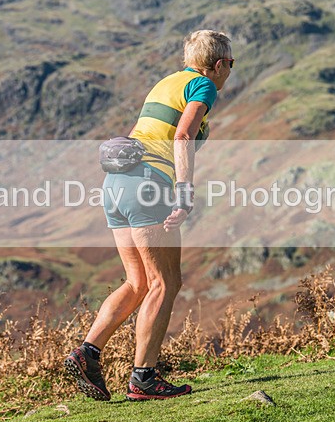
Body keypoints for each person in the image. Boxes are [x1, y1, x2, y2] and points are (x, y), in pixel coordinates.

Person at [64, 30, 233, 401]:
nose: (229, 72)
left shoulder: (166, 83)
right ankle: (144, 377)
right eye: (230, 64)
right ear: (219, 64)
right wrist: (184, 192)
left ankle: (87, 352)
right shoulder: (203, 86)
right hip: (148, 185)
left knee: (138, 282)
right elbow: (183, 136)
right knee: (166, 282)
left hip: (116, 185)